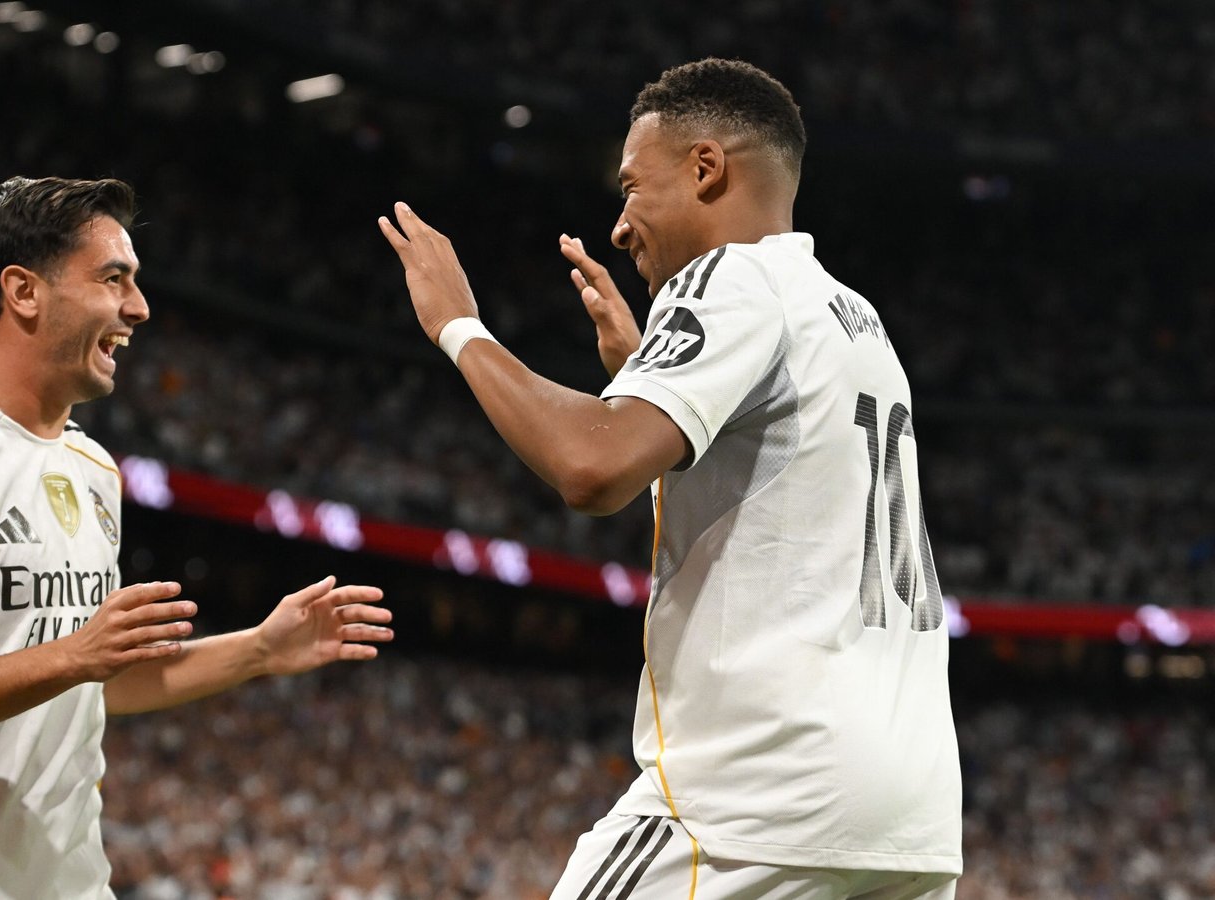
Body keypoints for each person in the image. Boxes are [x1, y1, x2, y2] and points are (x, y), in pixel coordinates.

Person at [380, 59, 960, 898]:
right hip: (907, 823)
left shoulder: (733, 277)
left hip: (755, 798)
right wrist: (645, 375)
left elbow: (590, 468)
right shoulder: (857, 321)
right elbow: (770, 504)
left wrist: (458, 326)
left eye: (630, 187)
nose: (619, 225)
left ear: (705, 168)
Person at [0, 176, 393, 898]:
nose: (139, 308)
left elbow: (93, 681)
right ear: (23, 291)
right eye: (113, 277)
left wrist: (258, 650)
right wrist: (74, 654)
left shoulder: (91, 468)